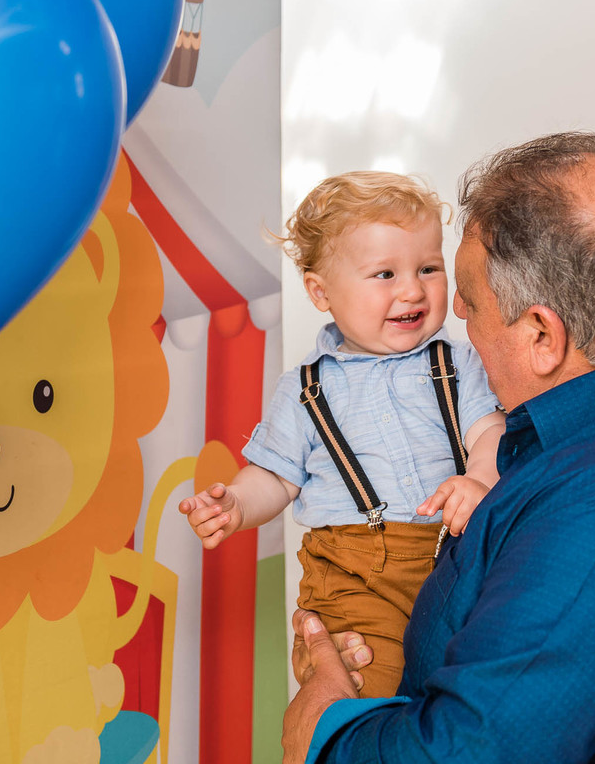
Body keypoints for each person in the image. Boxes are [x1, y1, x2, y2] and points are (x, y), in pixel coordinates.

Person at [283, 132, 595, 763]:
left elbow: (471, 752)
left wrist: (325, 728)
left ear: (543, 335)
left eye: (470, 298)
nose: (452, 309)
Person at [179, 171, 504, 698]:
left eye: (428, 268)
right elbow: (275, 477)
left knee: (471, 684)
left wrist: (481, 479)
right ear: (320, 291)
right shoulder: (305, 388)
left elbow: (489, 429)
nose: (412, 290)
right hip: (354, 577)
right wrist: (236, 503)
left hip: (455, 554)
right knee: (368, 686)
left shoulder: (458, 362)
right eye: (384, 274)